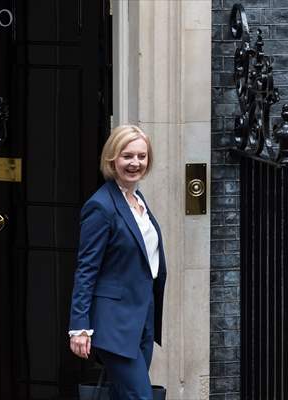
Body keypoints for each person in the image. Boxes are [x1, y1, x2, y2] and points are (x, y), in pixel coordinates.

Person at [68, 125, 167, 399]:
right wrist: (79, 327)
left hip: (141, 317)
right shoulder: (101, 206)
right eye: (127, 156)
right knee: (140, 396)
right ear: (112, 159)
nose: (135, 163)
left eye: (141, 156)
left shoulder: (137, 199)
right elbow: (86, 270)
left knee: (122, 395)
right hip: (114, 325)